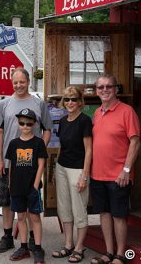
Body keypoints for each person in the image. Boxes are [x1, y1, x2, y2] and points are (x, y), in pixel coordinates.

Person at [0, 68, 52, 254]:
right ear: (12, 83)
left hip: (31, 166)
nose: (19, 85)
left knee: (31, 202)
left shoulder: (39, 104)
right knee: (8, 202)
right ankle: (7, 237)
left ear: (28, 82)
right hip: (10, 163)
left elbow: (47, 129)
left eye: (22, 82)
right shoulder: (5, 104)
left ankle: (34, 239)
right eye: (15, 82)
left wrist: (40, 149)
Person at [90, 74, 140, 264]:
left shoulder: (127, 111)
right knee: (104, 214)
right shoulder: (96, 113)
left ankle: (120, 254)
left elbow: (135, 142)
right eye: (100, 87)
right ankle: (108, 252)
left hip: (119, 176)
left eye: (109, 87)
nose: (104, 90)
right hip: (97, 174)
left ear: (116, 89)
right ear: (96, 91)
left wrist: (126, 170)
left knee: (119, 216)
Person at [51, 86, 92, 263]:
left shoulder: (85, 121)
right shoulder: (62, 121)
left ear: (80, 102)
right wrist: (55, 168)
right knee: (64, 208)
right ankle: (68, 244)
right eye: (66, 99)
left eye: (73, 99)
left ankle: (79, 247)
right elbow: (62, 146)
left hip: (78, 169)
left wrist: (85, 174)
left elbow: (89, 150)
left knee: (79, 209)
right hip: (61, 167)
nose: (70, 103)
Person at [5, 108, 48, 264]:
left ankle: (37, 248)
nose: (25, 126)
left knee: (34, 217)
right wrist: (10, 184)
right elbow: (11, 165)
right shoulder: (13, 143)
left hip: (32, 187)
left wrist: (35, 186)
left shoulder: (38, 143)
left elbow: (41, 164)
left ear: (34, 124)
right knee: (21, 217)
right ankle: (23, 247)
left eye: (28, 124)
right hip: (17, 187)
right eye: (22, 123)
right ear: (18, 124)